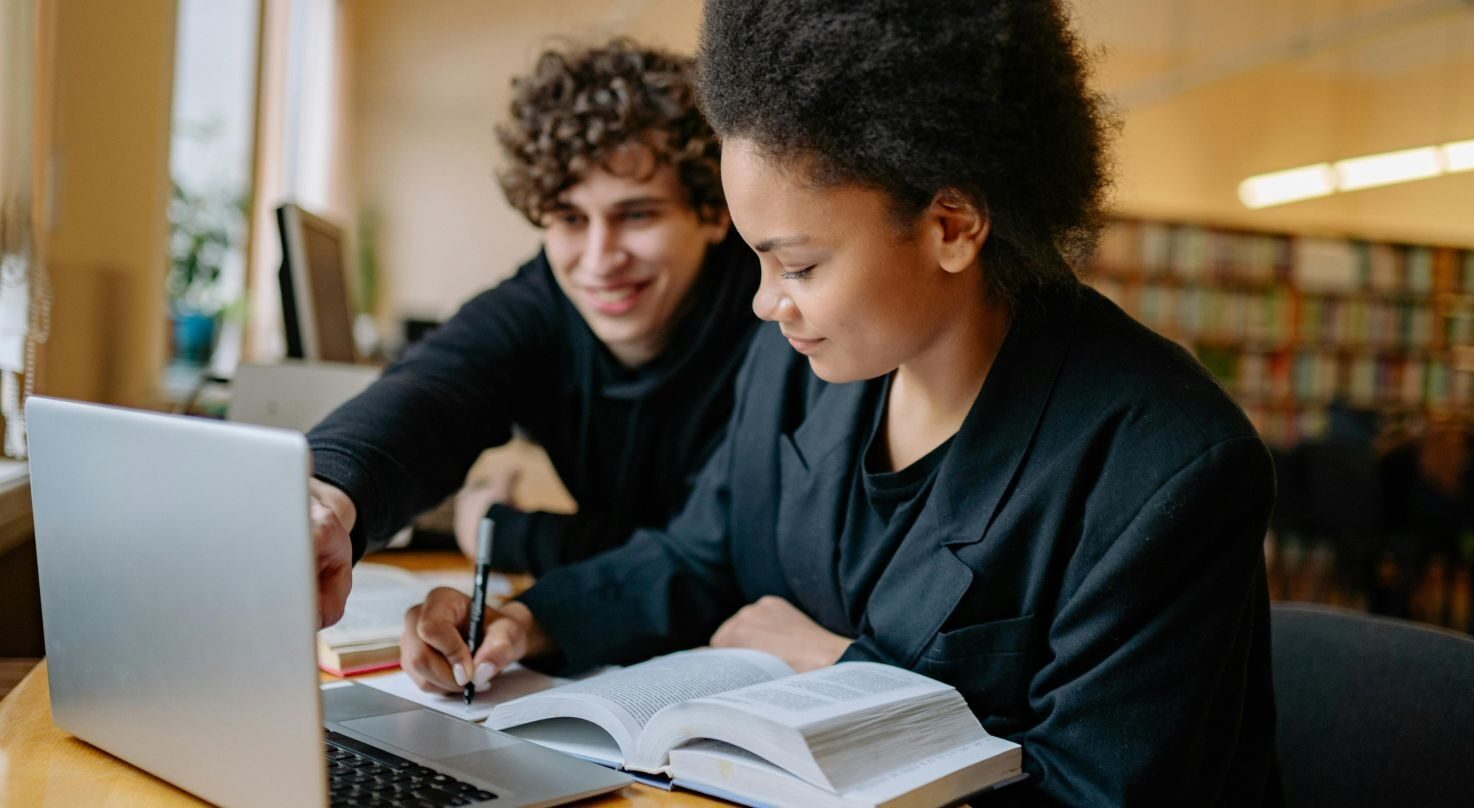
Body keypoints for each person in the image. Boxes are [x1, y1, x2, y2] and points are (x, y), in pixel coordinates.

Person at [401, 2, 1280, 802]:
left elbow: (1090, 791)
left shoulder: (1165, 464)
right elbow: (699, 556)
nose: (763, 301)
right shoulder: (795, 362)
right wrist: (524, 621)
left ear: (952, 225)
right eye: (756, 259)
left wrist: (843, 672)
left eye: (799, 266)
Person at [305, 39, 759, 631]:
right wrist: (327, 501)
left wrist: (508, 530)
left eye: (637, 214)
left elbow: (719, 560)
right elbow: (432, 391)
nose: (599, 259)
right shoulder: (539, 303)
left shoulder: (778, 313)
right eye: (571, 219)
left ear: (714, 210)